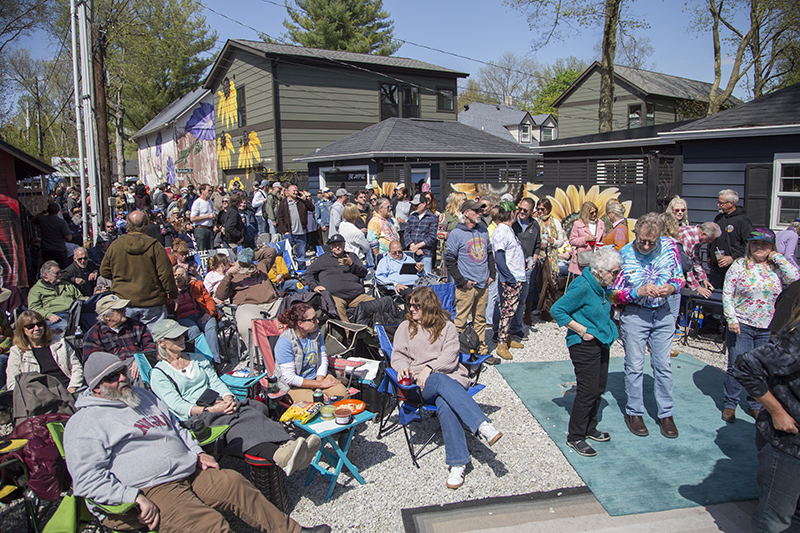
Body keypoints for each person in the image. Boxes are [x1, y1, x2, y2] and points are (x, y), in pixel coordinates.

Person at [64, 351, 331, 533]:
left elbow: (177, 429)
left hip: (188, 471)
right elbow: (86, 480)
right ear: (96, 387)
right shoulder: (85, 423)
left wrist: (196, 452)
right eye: (112, 378)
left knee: (234, 483)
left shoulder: (143, 397)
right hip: (149, 489)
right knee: (210, 525)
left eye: (122, 372)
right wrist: (131, 496)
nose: (122, 379)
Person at [148, 319, 319, 476]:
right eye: (175, 338)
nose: (181, 339)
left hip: (219, 403)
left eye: (181, 335)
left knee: (249, 412)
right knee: (237, 423)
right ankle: (280, 454)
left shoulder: (197, 358)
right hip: (198, 416)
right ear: (161, 343)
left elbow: (215, 382)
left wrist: (228, 397)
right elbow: (177, 405)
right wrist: (211, 409)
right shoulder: (160, 373)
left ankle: (289, 446)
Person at [391, 287, 502, 489]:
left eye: (417, 305)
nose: (411, 309)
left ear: (429, 306)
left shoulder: (447, 326)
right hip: (422, 385)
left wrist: (430, 367)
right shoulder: (406, 327)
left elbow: (451, 358)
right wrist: (403, 369)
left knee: (446, 403)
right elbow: (397, 355)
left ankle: (458, 464)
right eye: (410, 305)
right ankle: (482, 425)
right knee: (440, 381)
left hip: (449, 376)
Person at [610, 213, 684, 439]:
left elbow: (680, 277)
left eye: (651, 242)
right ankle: (634, 412)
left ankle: (666, 414)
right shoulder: (624, 255)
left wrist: (671, 288)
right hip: (635, 315)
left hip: (662, 314)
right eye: (642, 240)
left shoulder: (670, 247)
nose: (646, 245)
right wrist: (636, 292)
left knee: (663, 366)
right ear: (636, 233)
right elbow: (613, 294)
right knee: (634, 365)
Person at [722, 228, 800, 423]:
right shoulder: (740, 265)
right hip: (742, 324)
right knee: (736, 365)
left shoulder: (776, 268)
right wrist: (731, 318)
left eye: (765, 245)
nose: (759, 248)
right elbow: (727, 293)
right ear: (749, 245)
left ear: (772, 247)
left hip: (768, 327)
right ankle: (730, 404)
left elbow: (795, 279)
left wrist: (778, 258)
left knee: (762, 368)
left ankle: (756, 404)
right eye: (755, 243)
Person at [551, 246, 621, 457]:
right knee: (587, 390)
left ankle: (590, 428)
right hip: (584, 343)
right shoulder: (582, 285)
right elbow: (557, 309)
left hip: (601, 339)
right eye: (614, 272)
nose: (617, 276)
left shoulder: (601, 284)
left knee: (599, 386)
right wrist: (582, 331)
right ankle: (576, 436)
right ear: (600, 270)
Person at [100, 210, 178, 327]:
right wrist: (173, 295)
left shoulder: (116, 245)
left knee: (129, 341)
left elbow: (104, 271)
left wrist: (122, 279)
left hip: (124, 301)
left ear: (127, 225)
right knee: (154, 341)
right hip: (151, 302)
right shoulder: (155, 246)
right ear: (146, 226)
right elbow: (166, 275)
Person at [445, 199, 495, 357]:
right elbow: (450, 261)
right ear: (466, 213)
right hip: (467, 286)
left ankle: (481, 350)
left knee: (480, 320)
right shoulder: (456, 234)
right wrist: (462, 281)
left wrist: (492, 275)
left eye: (481, 210)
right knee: (460, 321)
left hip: (483, 284)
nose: (480, 213)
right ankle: (457, 353)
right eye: (476, 211)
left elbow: (489, 254)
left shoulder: (484, 230)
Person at [274, 303, 349, 403]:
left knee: (342, 395)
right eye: (313, 319)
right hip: (294, 386)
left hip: (317, 377)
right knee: (317, 403)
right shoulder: (285, 342)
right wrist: (320, 385)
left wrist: (319, 383)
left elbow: (323, 359)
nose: (317, 321)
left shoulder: (315, 332)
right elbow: (290, 378)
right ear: (300, 324)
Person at [82, 294, 155, 381]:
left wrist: (140, 358)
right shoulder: (94, 334)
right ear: (106, 316)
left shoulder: (136, 326)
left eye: (124, 308)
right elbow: (93, 363)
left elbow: (151, 345)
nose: (125, 311)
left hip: (140, 367)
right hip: (115, 375)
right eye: (120, 310)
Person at [7, 310, 83, 392]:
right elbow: (13, 382)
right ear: (22, 330)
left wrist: (73, 387)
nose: (36, 328)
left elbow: (76, 366)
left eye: (39, 324)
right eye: (30, 326)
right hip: (39, 395)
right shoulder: (17, 352)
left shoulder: (59, 342)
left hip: (67, 388)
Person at [214, 247, 281, 340]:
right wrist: (227, 276)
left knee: (295, 314)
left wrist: (251, 256)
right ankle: (259, 354)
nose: (242, 266)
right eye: (240, 263)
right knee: (249, 324)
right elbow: (220, 296)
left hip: (272, 304)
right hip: (248, 306)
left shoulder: (261, 267)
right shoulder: (233, 275)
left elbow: (271, 251)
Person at [303, 234, 373, 322]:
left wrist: (351, 265)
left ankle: (378, 331)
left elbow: (363, 273)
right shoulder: (323, 259)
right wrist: (314, 286)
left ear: (344, 245)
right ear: (331, 247)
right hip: (335, 297)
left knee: (378, 304)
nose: (337, 247)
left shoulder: (351, 256)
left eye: (339, 245)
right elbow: (308, 273)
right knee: (337, 310)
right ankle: (350, 333)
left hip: (356, 296)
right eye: (334, 245)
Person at [492, 202, 527, 361]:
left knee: (510, 311)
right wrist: (510, 278)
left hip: (516, 276)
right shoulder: (501, 231)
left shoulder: (508, 230)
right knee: (506, 311)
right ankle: (501, 344)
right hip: (511, 278)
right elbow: (499, 258)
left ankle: (507, 338)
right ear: (512, 213)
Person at [171, 266, 221, 364]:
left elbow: (209, 300)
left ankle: (215, 361)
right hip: (183, 318)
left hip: (200, 314)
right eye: (175, 275)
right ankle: (203, 361)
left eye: (180, 275)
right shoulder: (170, 292)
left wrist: (208, 313)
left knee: (211, 324)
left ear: (185, 275)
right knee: (193, 330)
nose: (178, 278)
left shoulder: (196, 284)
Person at [508, 197, 540, 340]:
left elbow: (538, 244)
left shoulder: (535, 225)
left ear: (531, 211)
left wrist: (535, 257)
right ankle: (504, 326)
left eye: (525, 210)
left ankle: (516, 327)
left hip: (527, 264)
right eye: (519, 208)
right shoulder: (512, 224)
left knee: (522, 297)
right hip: (513, 263)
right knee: (508, 297)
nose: (521, 212)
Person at [708, 189, 754, 289]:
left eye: (721, 203)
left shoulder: (742, 220)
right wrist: (709, 255)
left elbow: (749, 243)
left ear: (731, 203)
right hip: (716, 268)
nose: (718, 205)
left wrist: (733, 258)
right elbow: (711, 237)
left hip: (734, 268)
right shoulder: (719, 218)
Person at [28, 261, 86, 332]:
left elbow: (79, 297)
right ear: (46, 274)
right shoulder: (36, 290)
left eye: (60, 272)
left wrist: (88, 299)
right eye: (56, 273)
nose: (60, 275)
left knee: (91, 322)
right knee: (68, 328)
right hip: (55, 316)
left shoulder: (67, 285)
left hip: (74, 313)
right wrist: (49, 315)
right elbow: (33, 308)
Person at [276, 184, 315, 268]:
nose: (295, 192)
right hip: (289, 233)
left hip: (301, 233)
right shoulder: (284, 203)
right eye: (293, 190)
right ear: (288, 192)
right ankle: (291, 271)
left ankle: (302, 272)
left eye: (296, 190)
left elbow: (312, 208)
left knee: (301, 255)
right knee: (289, 255)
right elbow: (280, 217)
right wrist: (285, 231)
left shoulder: (301, 201)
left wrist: (305, 199)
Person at [679, 222, 722, 299]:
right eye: (709, 240)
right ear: (703, 234)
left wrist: (703, 278)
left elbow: (695, 259)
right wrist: (697, 287)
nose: (709, 243)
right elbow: (685, 265)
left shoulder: (696, 237)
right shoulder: (688, 238)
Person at [568, 201, 605, 277]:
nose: (594, 214)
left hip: (598, 259)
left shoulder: (601, 223)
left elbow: (604, 238)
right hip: (583, 259)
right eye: (591, 213)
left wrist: (602, 246)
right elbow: (572, 240)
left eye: (595, 212)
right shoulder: (578, 224)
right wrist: (585, 239)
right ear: (586, 213)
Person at [404, 194, 437, 274]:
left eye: (416, 205)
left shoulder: (432, 217)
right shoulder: (412, 216)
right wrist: (412, 246)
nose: (414, 207)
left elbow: (432, 237)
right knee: (411, 278)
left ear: (424, 204)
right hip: (412, 254)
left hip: (425, 254)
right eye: (413, 205)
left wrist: (417, 246)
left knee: (426, 279)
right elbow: (406, 233)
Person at [33, 203, 73, 268]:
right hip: (59, 250)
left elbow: (33, 219)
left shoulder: (42, 219)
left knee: (48, 269)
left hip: (46, 250)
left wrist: (43, 212)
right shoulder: (61, 222)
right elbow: (68, 238)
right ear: (58, 210)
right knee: (61, 269)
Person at [190, 184, 216, 252]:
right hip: (201, 229)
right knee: (201, 251)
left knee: (211, 251)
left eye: (211, 191)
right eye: (208, 190)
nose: (210, 192)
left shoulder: (209, 202)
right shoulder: (197, 202)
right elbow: (192, 218)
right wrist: (207, 216)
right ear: (202, 191)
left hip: (209, 228)